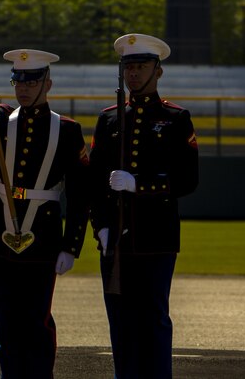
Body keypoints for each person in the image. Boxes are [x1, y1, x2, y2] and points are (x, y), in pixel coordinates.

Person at [0, 49, 90, 379]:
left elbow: (80, 193)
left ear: (47, 84)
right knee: (5, 321)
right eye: (17, 81)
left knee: (36, 321)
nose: (23, 88)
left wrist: (71, 245)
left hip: (42, 234)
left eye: (31, 81)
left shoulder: (67, 130)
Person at [88, 33, 199, 379]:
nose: (133, 74)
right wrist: (101, 226)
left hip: (156, 237)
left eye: (141, 66)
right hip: (116, 240)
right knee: (120, 322)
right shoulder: (109, 119)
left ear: (158, 72)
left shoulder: (176, 118)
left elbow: (188, 179)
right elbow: (94, 181)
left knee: (153, 320)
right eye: (129, 67)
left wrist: (141, 185)